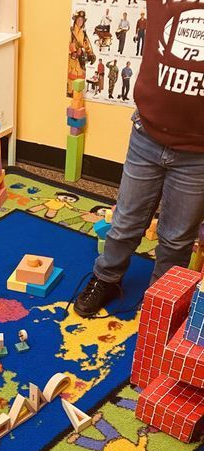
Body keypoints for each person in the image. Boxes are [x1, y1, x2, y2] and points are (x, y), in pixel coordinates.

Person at [74, 0, 204, 318]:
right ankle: (106, 278)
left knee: (176, 238)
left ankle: (161, 300)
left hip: (198, 155)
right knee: (124, 222)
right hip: (146, 136)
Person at [67, 9, 96, 96]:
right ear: (75, 20)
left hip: (81, 62)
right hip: (72, 62)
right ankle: (69, 93)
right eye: (78, 19)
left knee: (79, 82)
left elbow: (87, 45)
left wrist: (91, 54)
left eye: (82, 20)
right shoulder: (70, 31)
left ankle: (77, 96)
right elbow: (68, 43)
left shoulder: (83, 33)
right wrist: (73, 52)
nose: (80, 21)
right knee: (71, 80)